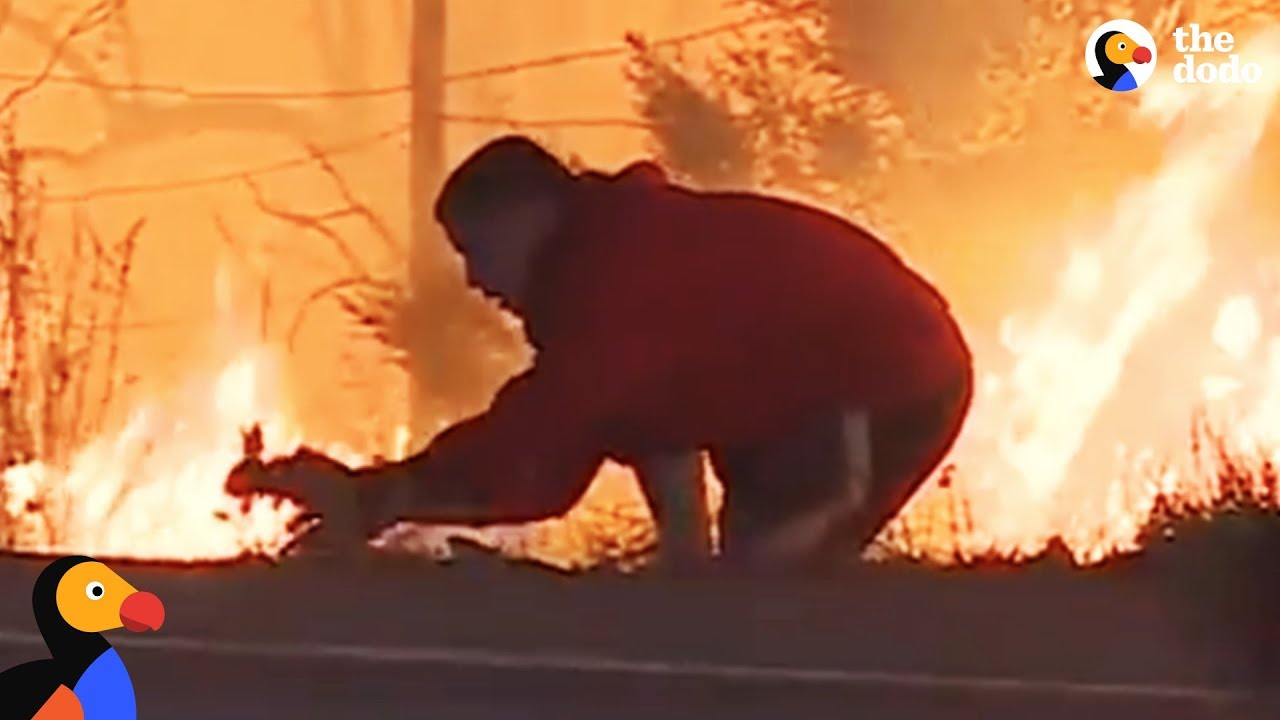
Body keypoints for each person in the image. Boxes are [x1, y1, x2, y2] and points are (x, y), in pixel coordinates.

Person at [249, 135, 974, 571]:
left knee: (763, 594)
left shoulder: (614, 277)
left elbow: (545, 439)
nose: (475, 280)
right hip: (811, 388)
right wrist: (683, 556)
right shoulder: (608, 260)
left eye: (478, 250)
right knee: (722, 596)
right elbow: (644, 420)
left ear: (531, 217)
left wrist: (377, 498)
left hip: (886, 378)